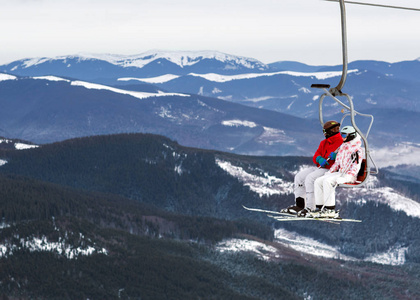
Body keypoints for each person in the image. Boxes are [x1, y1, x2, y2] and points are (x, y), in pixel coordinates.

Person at [281, 120, 343, 215]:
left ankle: (311, 207)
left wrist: (337, 157)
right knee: (299, 177)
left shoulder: (342, 143)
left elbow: (345, 159)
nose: (324, 133)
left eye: (325, 131)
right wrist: (319, 159)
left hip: (330, 170)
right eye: (334, 129)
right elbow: (315, 156)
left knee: (310, 179)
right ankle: (300, 205)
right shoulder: (324, 143)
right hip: (321, 167)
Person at [311, 125, 363, 218]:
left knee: (327, 181)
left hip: (348, 175)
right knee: (318, 181)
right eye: (341, 134)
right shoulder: (343, 147)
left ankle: (330, 209)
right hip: (340, 172)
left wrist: (346, 178)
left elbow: (356, 167)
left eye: (344, 135)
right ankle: (319, 207)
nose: (341, 137)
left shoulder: (357, 150)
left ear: (351, 135)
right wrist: (330, 172)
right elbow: (337, 163)